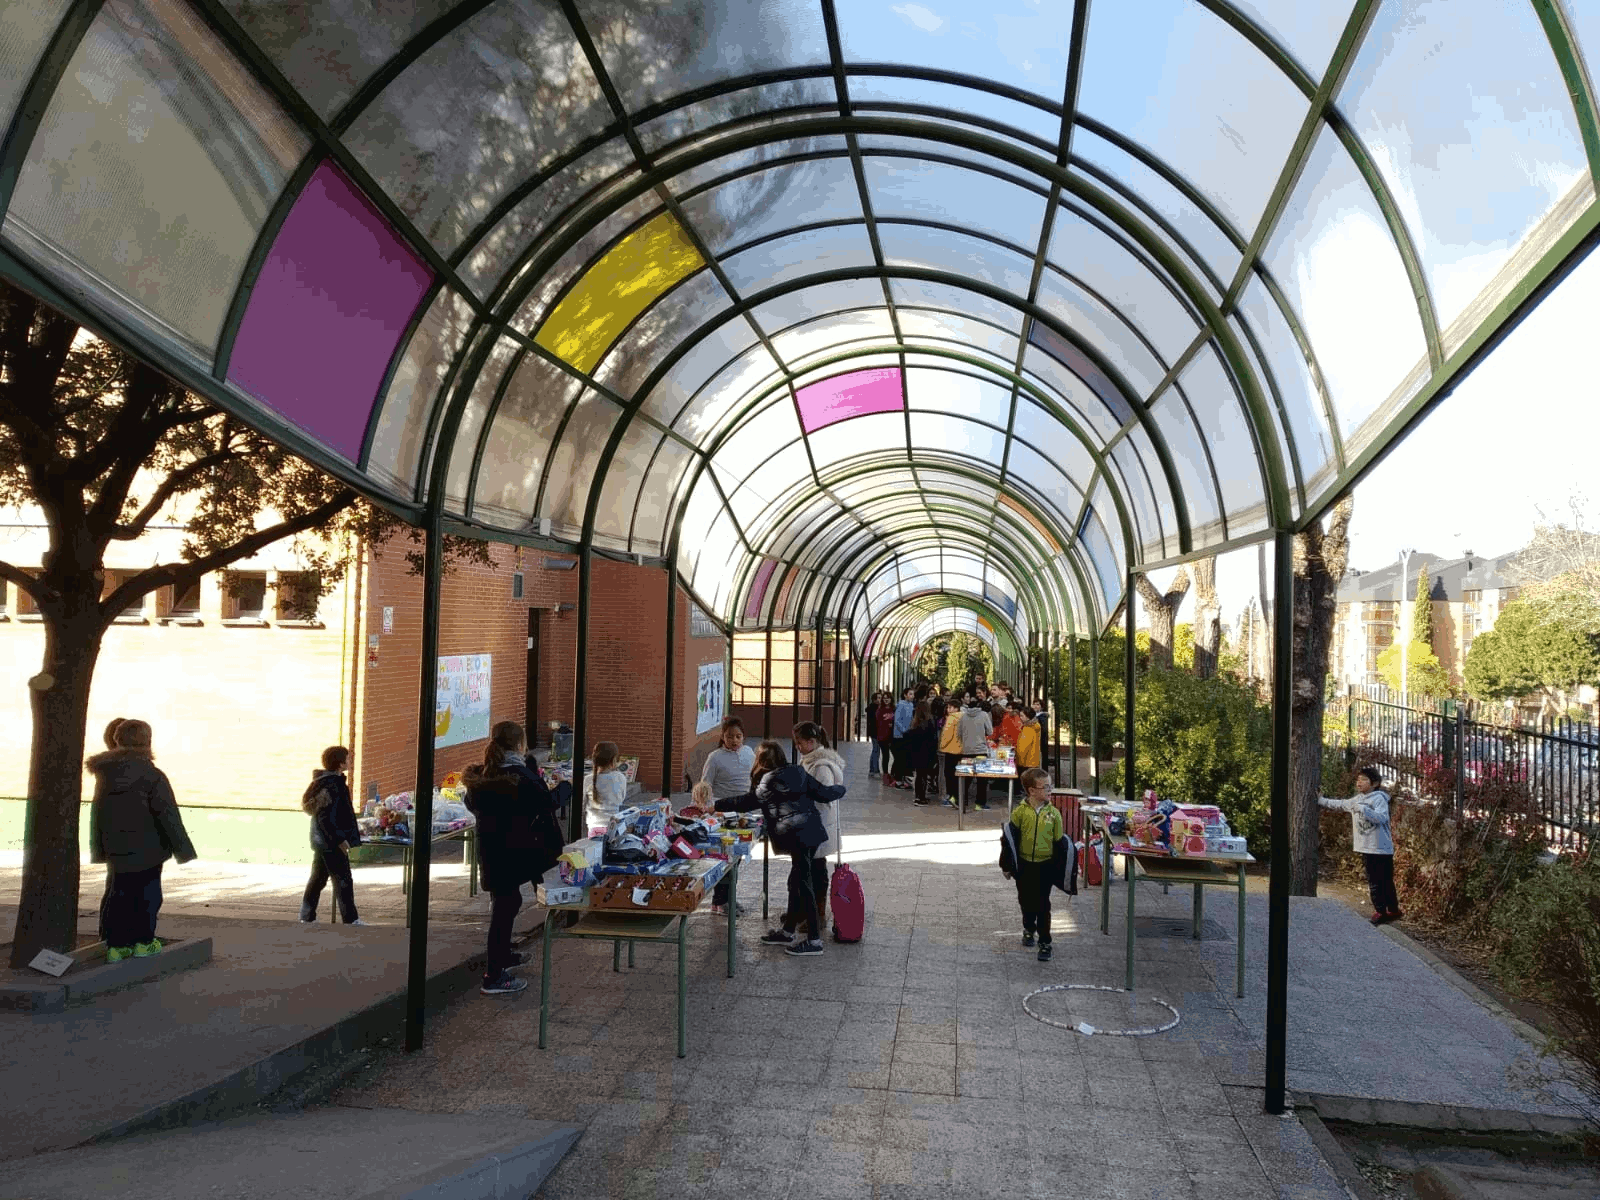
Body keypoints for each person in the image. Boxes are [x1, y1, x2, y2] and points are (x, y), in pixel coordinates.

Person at [463, 721, 564, 995]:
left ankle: (504, 956)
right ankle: (494, 975)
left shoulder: (484, 776)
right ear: (520, 744)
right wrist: (564, 788)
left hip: (493, 851)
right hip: (512, 850)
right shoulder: (520, 777)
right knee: (504, 908)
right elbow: (546, 803)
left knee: (508, 901)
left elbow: (472, 804)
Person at [716, 741, 843, 956]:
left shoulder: (768, 780)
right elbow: (824, 793)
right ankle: (787, 931)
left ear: (762, 761)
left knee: (804, 885)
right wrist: (842, 788)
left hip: (797, 835)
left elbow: (747, 801)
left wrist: (716, 805)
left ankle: (814, 941)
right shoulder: (798, 771)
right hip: (811, 833)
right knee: (796, 882)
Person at [88, 720, 196, 962]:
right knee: (147, 896)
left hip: (116, 848)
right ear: (148, 741)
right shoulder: (153, 775)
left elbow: (99, 814)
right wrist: (184, 850)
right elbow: (168, 815)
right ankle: (144, 942)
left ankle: (117, 946)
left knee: (119, 895)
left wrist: (100, 849)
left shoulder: (106, 775)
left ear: (117, 741)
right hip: (149, 849)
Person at [999, 768, 1075, 962]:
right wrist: (1006, 865)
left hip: (1045, 866)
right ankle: (1028, 928)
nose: (1050, 790)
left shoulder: (1054, 814)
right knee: (1025, 900)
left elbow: (1060, 844)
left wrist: (1063, 871)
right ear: (1032, 791)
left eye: (1051, 786)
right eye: (1046, 787)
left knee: (1043, 904)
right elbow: (1009, 840)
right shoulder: (1020, 813)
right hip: (1024, 866)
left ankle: (1045, 941)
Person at [1320, 767, 1401, 925]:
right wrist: (1321, 800)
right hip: (1366, 848)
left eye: (1364, 779)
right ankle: (1381, 911)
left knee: (1385, 881)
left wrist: (1364, 809)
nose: (1359, 782)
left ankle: (1392, 910)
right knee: (1374, 882)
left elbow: (1382, 818)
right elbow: (1340, 804)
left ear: (1374, 783)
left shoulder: (1379, 799)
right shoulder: (1356, 799)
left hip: (1381, 848)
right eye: (1358, 779)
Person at [299, 746, 366, 926]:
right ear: (340, 763)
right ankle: (351, 919)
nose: (350, 761)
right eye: (348, 758)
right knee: (343, 879)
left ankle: (307, 915)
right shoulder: (333, 785)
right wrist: (340, 840)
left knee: (318, 878)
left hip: (321, 840)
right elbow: (326, 817)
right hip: (331, 842)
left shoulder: (325, 782)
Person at [701, 717, 755, 914]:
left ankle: (727, 898)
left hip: (743, 814)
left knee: (737, 857)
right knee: (725, 857)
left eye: (738, 736)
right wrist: (706, 809)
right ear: (722, 737)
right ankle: (721, 900)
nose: (734, 740)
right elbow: (705, 786)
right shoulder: (714, 757)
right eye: (730, 736)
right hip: (722, 815)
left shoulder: (749, 753)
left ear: (743, 737)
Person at [793, 722, 843, 927]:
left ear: (812, 742)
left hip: (819, 826)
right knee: (805, 871)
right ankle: (802, 911)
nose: (797, 747)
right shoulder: (809, 761)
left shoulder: (821, 766)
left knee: (816, 870)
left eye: (800, 743)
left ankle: (817, 915)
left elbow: (824, 796)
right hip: (810, 825)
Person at [957, 698, 994, 810]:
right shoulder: (984, 715)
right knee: (982, 778)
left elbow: (959, 734)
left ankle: (962, 802)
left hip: (966, 750)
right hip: (981, 750)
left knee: (966, 778)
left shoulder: (963, 716)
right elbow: (990, 731)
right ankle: (980, 803)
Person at [587, 740, 629, 833]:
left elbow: (582, 804)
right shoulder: (621, 777)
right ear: (614, 759)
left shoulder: (588, 779)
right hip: (616, 827)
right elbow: (621, 799)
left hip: (594, 829)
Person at [904, 700, 940, 806]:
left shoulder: (915, 724)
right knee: (923, 776)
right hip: (926, 753)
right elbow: (933, 740)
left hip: (916, 753)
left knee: (919, 775)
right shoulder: (930, 723)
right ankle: (921, 798)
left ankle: (918, 796)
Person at [938, 695, 964, 808]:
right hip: (961, 750)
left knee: (949, 775)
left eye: (950, 707)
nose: (948, 710)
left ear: (955, 708)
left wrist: (941, 746)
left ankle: (951, 797)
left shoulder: (951, 718)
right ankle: (959, 797)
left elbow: (947, 735)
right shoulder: (964, 717)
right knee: (958, 775)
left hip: (950, 749)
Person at [891, 686, 915, 789]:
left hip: (908, 735)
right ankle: (898, 780)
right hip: (899, 735)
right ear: (905, 695)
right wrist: (904, 730)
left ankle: (905, 780)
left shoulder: (911, 705)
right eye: (910, 694)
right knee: (900, 758)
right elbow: (897, 720)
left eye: (913, 694)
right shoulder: (901, 704)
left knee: (906, 758)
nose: (912, 696)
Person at [873, 693, 896, 783]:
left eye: (888, 698)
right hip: (882, 737)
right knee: (886, 756)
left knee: (896, 756)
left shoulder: (894, 709)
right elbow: (878, 723)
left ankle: (893, 774)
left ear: (891, 699)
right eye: (885, 698)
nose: (886, 700)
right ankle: (885, 775)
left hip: (893, 736)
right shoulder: (880, 710)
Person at [1016, 707, 1042, 772]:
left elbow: (1023, 747)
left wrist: (1018, 759)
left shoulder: (1028, 729)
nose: (1020, 717)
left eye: (1022, 716)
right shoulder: (1034, 726)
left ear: (1028, 717)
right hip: (1033, 761)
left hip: (1025, 763)